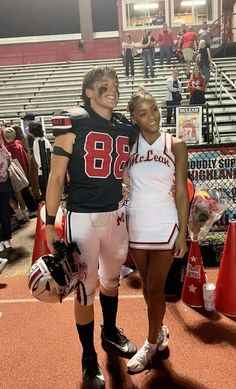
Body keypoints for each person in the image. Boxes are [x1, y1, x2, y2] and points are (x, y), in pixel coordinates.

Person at [45, 66, 138, 389]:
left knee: (111, 279)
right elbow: (56, 176)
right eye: (103, 85)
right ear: (88, 91)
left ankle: (109, 331)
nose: (112, 89)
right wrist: (48, 224)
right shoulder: (73, 120)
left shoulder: (126, 127)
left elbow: (125, 171)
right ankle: (88, 356)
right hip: (82, 217)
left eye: (115, 85)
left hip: (115, 215)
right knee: (85, 289)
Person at [124, 87, 189, 373]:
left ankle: (150, 344)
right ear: (133, 117)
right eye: (143, 113)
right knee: (149, 290)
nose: (151, 116)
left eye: (154, 109)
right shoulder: (128, 146)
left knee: (155, 286)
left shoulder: (175, 144)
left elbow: (182, 194)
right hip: (136, 220)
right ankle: (159, 329)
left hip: (165, 221)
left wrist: (183, 231)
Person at [28, 121, 51, 201]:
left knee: (44, 191)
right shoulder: (44, 139)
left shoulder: (37, 141)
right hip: (46, 170)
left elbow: (38, 158)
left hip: (41, 171)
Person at [0, 135, 12, 252]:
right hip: (4, 185)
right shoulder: (3, 149)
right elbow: (10, 164)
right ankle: (7, 240)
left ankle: (0, 241)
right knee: (4, 213)